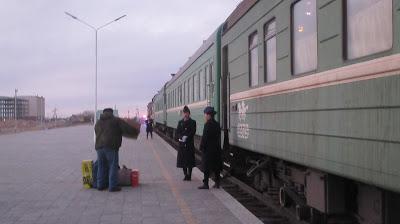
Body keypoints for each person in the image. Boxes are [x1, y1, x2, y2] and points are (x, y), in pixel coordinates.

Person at [95, 108, 140, 192]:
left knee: (101, 166)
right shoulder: (116, 120)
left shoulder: (98, 122)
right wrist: (136, 131)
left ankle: (100, 185)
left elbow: (96, 132)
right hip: (111, 147)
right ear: (112, 113)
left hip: (99, 147)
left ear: (103, 113)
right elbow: (126, 128)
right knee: (113, 166)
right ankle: (113, 186)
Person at [198, 106, 222, 189]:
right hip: (216, 148)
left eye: (205, 114)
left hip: (208, 150)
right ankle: (217, 183)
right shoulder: (217, 124)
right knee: (216, 167)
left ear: (208, 115)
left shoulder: (207, 124)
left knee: (206, 167)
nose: (205, 116)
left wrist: (201, 147)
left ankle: (206, 184)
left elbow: (205, 137)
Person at [176, 106, 196, 181]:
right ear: (183, 114)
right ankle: (185, 175)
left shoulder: (193, 122)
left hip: (189, 144)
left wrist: (187, 137)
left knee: (190, 161)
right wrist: (181, 137)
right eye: (184, 113)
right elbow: (177, 132)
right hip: (182, 145)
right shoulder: (180, 122)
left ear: (189, 113)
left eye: (187, 113)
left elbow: (193, 132)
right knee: (183, 161)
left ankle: (189, 175)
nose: (185, 114)